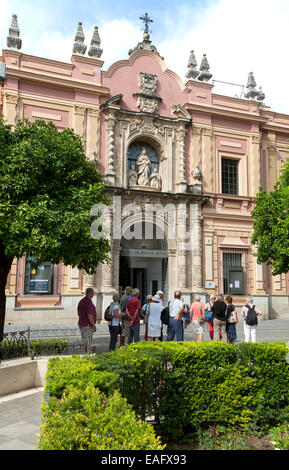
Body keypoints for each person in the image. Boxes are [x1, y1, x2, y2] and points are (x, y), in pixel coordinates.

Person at [77, 287, 96, 354]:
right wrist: (93, 325)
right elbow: (90, 315)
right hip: (87, 324)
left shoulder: (82, 300)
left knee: (84, 339)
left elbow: (78, 312)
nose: (94, 294)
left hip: (81, 322)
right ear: (91, 294)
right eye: (93, 293)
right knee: (88, 340)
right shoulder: (88, 302)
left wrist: (82, 318)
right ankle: (86, 354)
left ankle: (84, 353)